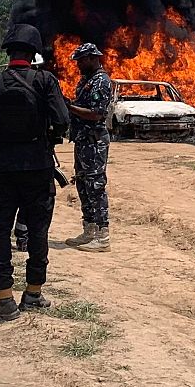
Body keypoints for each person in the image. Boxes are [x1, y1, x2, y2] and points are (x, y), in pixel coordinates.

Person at [0, 23, 69, 320]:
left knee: (1, 230)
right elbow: (62, 120)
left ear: (9, 52)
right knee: (38, 231)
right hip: (38, 165)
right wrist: (50, 136)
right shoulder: (45, 81)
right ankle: (33, 292)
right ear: (33, 53)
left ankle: (5, 298)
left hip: (2, 165)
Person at [63, 43, 113, 252]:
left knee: (95, 186)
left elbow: (96, 113)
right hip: (83, 140)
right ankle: (89, 230)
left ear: (93, 58)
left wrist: (69, 107)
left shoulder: (101, 81)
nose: (79, 64)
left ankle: (102, 235)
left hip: (94, 141)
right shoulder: (86, 80)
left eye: (82, 60)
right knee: (83, 184)